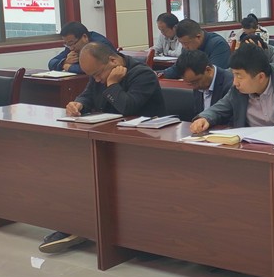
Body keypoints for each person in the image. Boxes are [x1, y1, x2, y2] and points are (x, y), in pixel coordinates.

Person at [41, 43, 165, 254]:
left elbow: (128, 107)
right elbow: (88, 95)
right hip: (109, 140)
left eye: (98, 75)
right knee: (74, 169)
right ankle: (77, 225)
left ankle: (111, 231)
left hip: (144, 146)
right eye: (93, 76)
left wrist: (112, 84)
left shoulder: (142, 75)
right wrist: (78, 104)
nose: (97, 79)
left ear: (113, 61)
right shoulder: (98, 73)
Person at [190, 43, 274, 134]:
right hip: (251, 147)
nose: (235, 82)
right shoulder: (238, 90)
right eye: (234, 75)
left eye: (239, 76)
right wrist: (204, 118)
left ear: (260, 77)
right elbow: (219, 109)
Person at [160, 19, 231, 79]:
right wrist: (161, 74)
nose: (184, 47)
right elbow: (178, 68)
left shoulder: (218, 44)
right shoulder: (187, 48)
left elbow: (214, 74)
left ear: (198, 37)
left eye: (186, 43)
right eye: (181, 43)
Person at [48, 21, 115, 74]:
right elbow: (51, 63)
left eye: (72, 43)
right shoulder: (71, 46)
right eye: (67, 45)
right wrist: (64, 62)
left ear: (84, 37)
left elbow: (98, 67)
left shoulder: (99, 44)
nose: (71, 48)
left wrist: (70, 67)